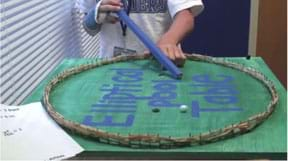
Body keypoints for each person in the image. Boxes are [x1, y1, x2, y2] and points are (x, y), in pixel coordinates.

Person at [76, 0, 204, 66]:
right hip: (110, 66)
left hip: (158, 65)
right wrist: (95, 15)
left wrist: (168, 41)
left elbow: (185, 17)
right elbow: (88, 27)